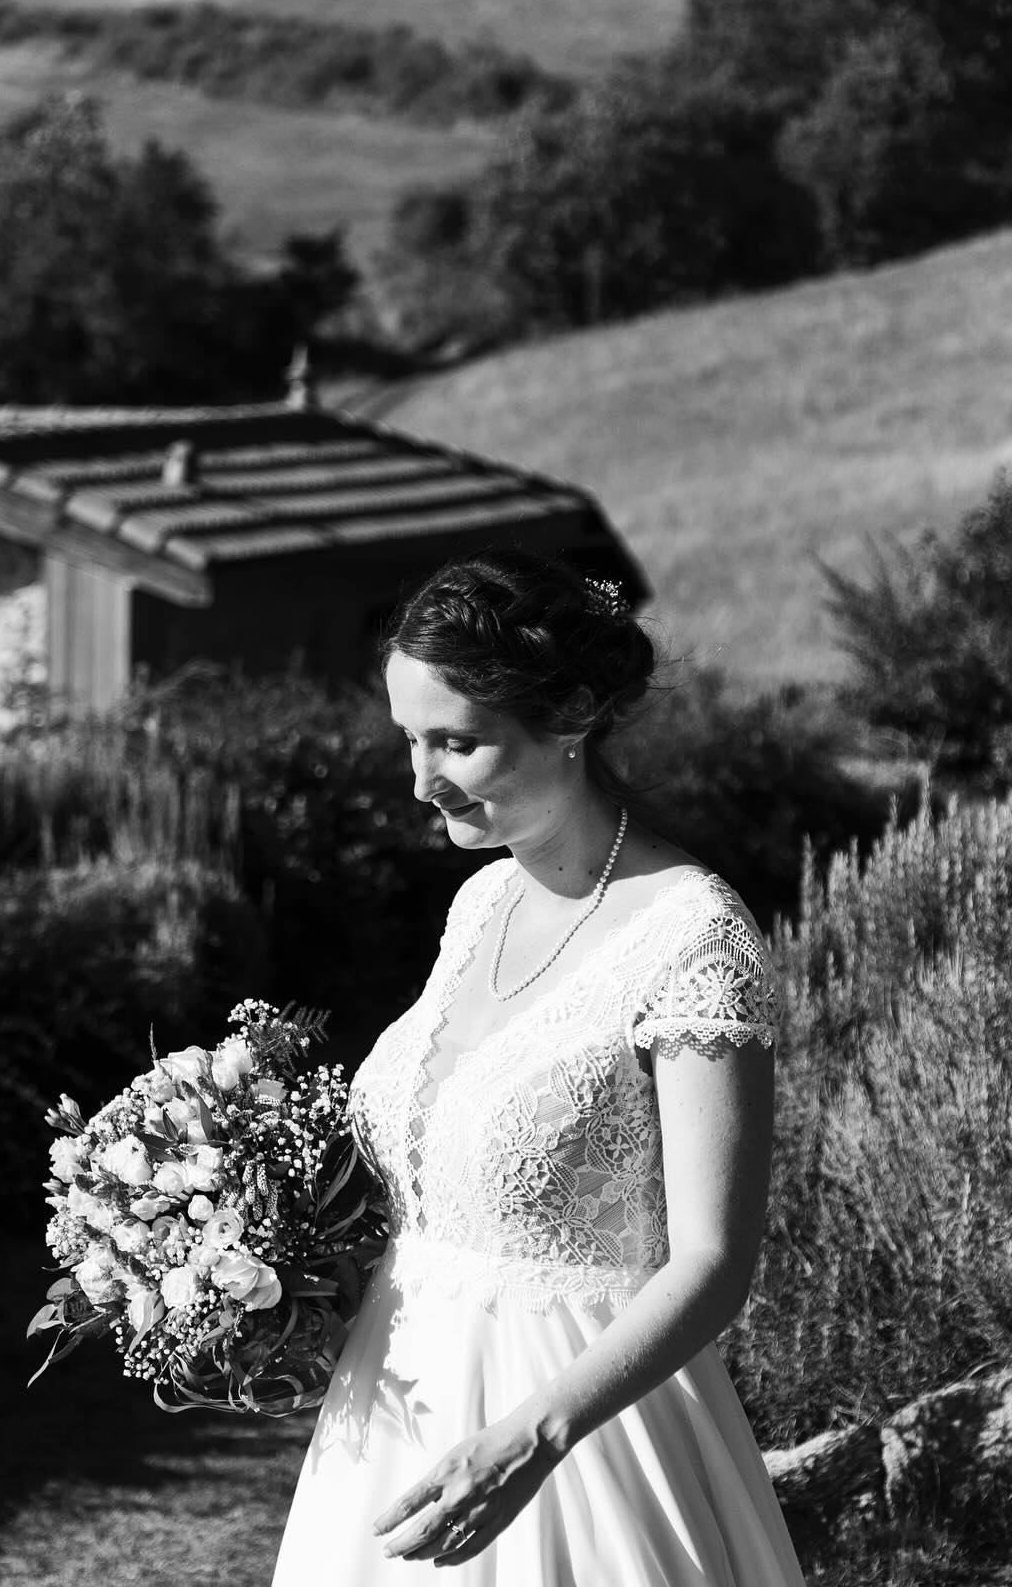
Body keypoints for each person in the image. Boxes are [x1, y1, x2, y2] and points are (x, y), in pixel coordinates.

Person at [271, 551, 805, 1585]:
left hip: (585, 1441)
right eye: (409, 741)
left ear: (567, 717)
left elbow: (712, 1264)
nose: (419, 781)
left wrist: (535, 1436)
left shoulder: (694, 939)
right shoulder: (481, 905)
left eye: (455, 744)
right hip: (394, 1420)